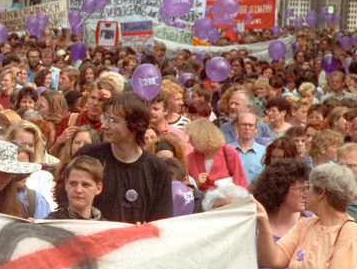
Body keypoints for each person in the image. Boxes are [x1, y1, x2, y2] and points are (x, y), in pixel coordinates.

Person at [74, 92, 172, 223]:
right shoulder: (89, 155)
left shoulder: (157, 169)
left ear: (135, 125)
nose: (105, 125)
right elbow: (66, 200)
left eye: (113, 120)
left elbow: (161, 222)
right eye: (105, 118)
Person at [251, 159, 312, 269]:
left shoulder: (310, 221)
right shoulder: (255, 224)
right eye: (301, 189)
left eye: (308, 188)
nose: (306, 194)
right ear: (281, 190)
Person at [184, 118, 248, 191]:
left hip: (229, 199)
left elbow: (240, 180)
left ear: (200, 138)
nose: (188, 141)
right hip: (203, 201)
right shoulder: (190, 158)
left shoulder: (228, 151)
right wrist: (197, 183)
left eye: (191, 138)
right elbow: (186, 187)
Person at [46, 156, 104, 220]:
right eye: (73, 183)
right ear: (66, 185)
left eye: (85, 185)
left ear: (98, 188)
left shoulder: (107, 227)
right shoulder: (51, 224)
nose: (78, 190)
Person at [232, 111, 268, 184]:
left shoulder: (265, 152)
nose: (247, 128)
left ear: (256, 129)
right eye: (244, 124)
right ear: (236, 126)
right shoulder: (226, 150)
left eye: (251, 125)